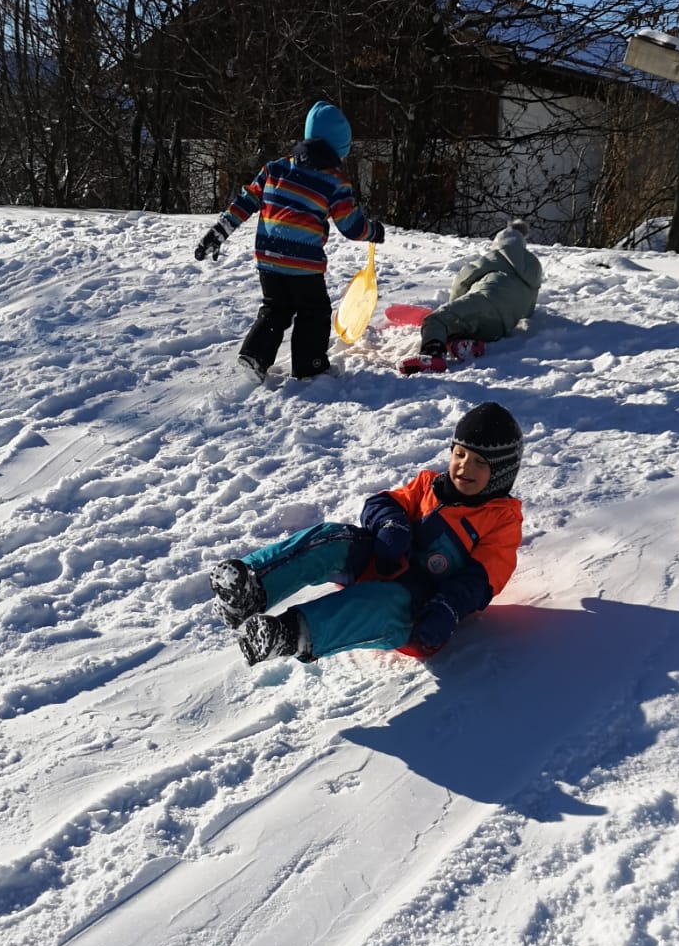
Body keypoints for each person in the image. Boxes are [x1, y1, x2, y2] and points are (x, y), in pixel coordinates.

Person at [210, 402, 524, 666]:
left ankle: (287, 634)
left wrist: (448, 607)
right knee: (331, 539)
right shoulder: (430, 485)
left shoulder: (500, 522)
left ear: (501, 474)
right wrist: (391, 525)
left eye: (480, 462)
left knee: (375, 604)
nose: (463, 467)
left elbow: (480, 580)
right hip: (384, 561)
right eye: (460, 454)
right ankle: (251, 588)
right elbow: (382, 503)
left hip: (421, 607)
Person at [193, 101, 385, 382]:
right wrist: (374, 232)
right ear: (339, 148)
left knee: (275, 308)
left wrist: (218, 233)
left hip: (268, 258)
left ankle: (253, 358)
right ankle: (311, 366)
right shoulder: (334, 182)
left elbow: (245, 201)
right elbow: (351, 226)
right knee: (314, 312)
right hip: (304, 263)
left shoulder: (275, 169)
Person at [401, 219, 542, 375]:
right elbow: (529, 311)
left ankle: (432, 355)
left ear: (499, 244)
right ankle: (463, 344)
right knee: (462, 326)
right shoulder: (533, 271)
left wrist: (453, 305)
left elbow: (463, 279)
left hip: (485, 299)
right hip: (501, 326)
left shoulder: (497, 256)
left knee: (437, 320)